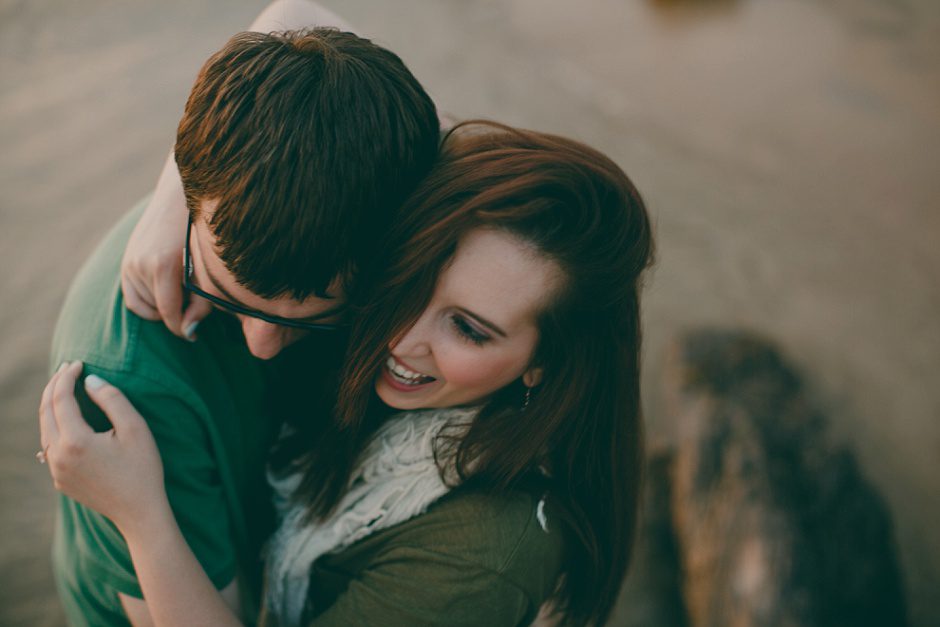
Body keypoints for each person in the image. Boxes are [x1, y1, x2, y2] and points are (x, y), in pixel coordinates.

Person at [40, 121, 655, 627]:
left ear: (545, 364)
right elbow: (296, 33)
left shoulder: (486, 556)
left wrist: (138, 513)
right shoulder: (414, 374)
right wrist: (179, 203)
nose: (401, 338)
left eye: (467, 328)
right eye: (410, 280)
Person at [44, 1, 440, 624]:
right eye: (227, 293)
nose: (260, 343)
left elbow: (296, 16)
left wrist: (170, 194)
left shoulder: (379, 181)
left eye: (309, 318)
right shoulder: (125, 391)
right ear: (195, 205)